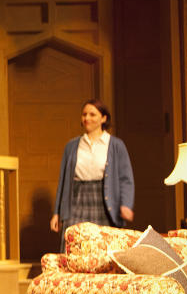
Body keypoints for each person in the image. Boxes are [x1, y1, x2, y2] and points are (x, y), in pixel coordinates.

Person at [50, 99, 135, 247]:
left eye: (92, 114)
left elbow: (126, 179)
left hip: (103, 200)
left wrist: (126, 204)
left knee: (103, 247)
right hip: (76, 199)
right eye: (84, 114)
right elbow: (63, 182)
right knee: (75, 245)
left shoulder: (116, 145)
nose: (87, 118)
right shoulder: (72, 146)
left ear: (103, 118)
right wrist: (57, 212)